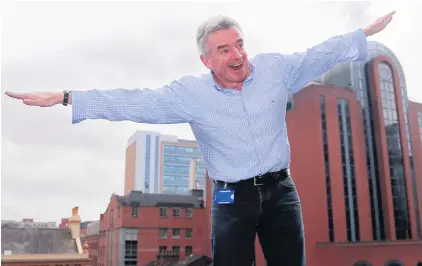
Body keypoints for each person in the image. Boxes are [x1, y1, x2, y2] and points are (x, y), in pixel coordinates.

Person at [5, 11, 395, 266]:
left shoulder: (275, 70)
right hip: (231, 198)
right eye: (224, 50)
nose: (237, 54)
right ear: (207, 60)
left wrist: (362, 33)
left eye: (239, 44)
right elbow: (133, 102)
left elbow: (318, 55)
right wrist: (68, 97)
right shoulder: (190, 95)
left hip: (281, 192)